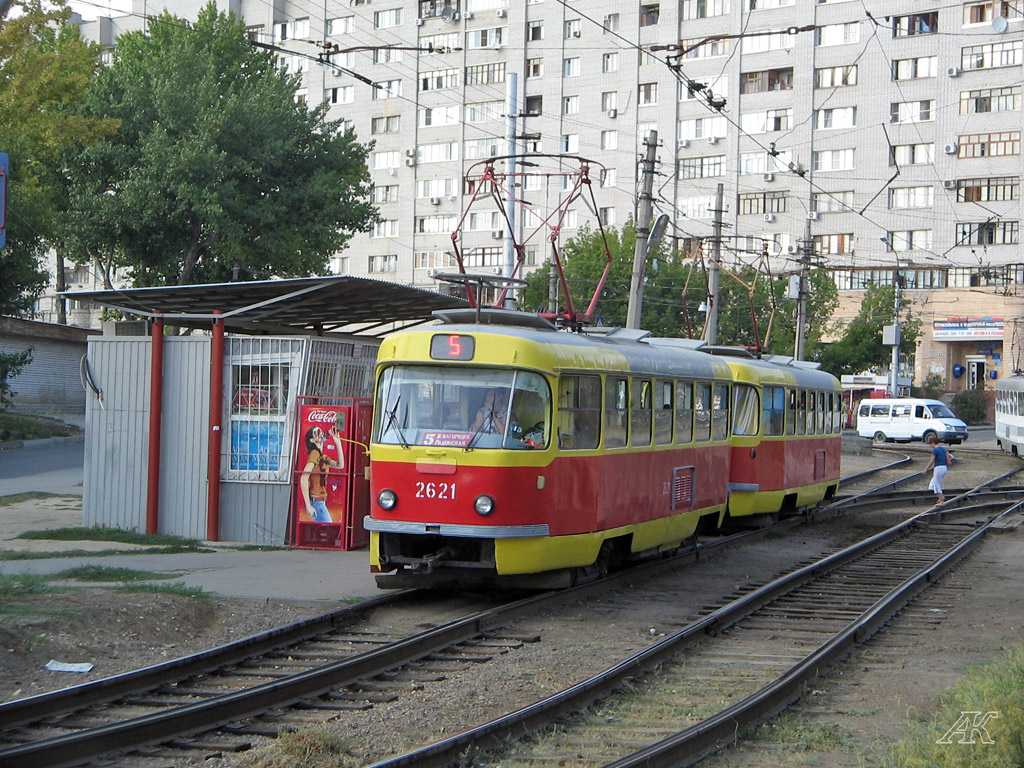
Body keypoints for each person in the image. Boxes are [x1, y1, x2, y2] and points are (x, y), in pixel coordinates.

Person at [300, 424, 345, 523]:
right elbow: (304, 477)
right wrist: (308, 505)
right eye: (317, 433)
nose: (321, 434)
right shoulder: (315, 454)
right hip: (316, 502)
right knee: (329, 526)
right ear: (312, 440)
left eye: (320, 431)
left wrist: (337, 442)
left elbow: (340, 465)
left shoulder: (322, 456)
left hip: (320, 502)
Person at [920, 434, 950, 505]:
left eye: (930, 444)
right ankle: (941, 497)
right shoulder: (943, 449)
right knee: (933, 483)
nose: (930, 446)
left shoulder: (935, 451)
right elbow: (947, 458)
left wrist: (926, 469)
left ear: (933, 443)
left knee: (937, 485)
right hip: (944, 468)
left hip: (938, 468)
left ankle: (941, 501)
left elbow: (932, 461)